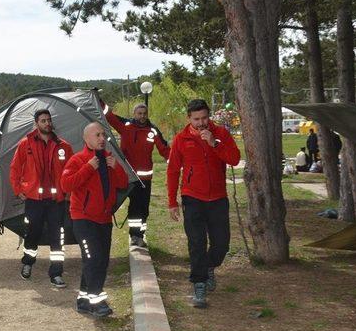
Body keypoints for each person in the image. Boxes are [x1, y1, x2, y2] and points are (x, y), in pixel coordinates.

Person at [167, 99, 240, 309]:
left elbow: (234, 159)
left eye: (204, 118)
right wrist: (172, 201)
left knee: (222, 244)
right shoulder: (181, 139)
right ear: (189, 118)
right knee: (197, 243)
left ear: (210, 117)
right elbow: (172, 171)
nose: (201, 123)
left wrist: (214, 143)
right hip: (192, 198)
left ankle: (209, 267)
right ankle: (199, 283)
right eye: (196, 119)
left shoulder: (221, 134)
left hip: (217, 198)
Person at [61, 122, 129, 317]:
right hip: (83, 219)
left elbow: (123, 183)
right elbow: (66, 185)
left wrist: (116, 168)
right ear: (87, 139)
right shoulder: (78, 159)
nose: (102, 138)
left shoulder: (109, 159)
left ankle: (83, 300)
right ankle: (97, 301)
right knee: (93, 260)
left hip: (104, 219)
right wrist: (88, 168)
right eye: (97, 135)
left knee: (101, 261)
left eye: (103, 135)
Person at [10, 109, 73, 288]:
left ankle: (56, 272)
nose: (47, 123)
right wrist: (17, 189)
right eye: (43, 120)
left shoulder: (63, 146)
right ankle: (28, 262)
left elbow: (72, 170)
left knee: (57, 235)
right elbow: (15, 168)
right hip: (34, 200)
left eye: (48, 120)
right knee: (33, 232)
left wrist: (69, 192)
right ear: (36, 123)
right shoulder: (25, 143)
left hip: (56, 201)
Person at [103, 101, 170, 247]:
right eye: (139, 113)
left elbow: (165, 149)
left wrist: (176, 162)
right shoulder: (125, 126)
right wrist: (98, 100)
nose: (142, 116)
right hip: (128, 177)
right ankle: (133, 235)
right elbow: (109, 115)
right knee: (131, 207)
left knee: (143, 208)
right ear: (134, 114)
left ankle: (140, 234)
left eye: (144, 113)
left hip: (145, 179)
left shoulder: (153, 130)